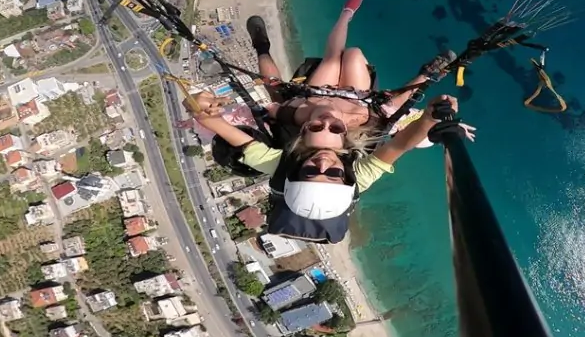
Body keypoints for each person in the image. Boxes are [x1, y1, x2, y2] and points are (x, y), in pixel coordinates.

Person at [186, 90, 472, 242]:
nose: (322, 163)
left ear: (296, 172)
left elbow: (215, 124)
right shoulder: (359, 176)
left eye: (310, 172)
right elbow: (399, 145)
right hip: (352, 126)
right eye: (333, 174)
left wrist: (201, 107)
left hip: (299, 122)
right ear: (346, 178)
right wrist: (430, 118)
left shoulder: (280, 166)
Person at [245, 0, 455, 150]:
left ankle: (262, 46)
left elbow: (269, 108)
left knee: (330, 60)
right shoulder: (363, 120)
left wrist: (269, 109)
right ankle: (348, 16)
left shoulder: (295, 113)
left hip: (317, 92)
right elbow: (398, 102)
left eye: (316, 127)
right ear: (345, 131)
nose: (327, 121)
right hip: (357, 96)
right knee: (353, 54)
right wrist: (427, 77)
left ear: (305, 127)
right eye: (335, 129)